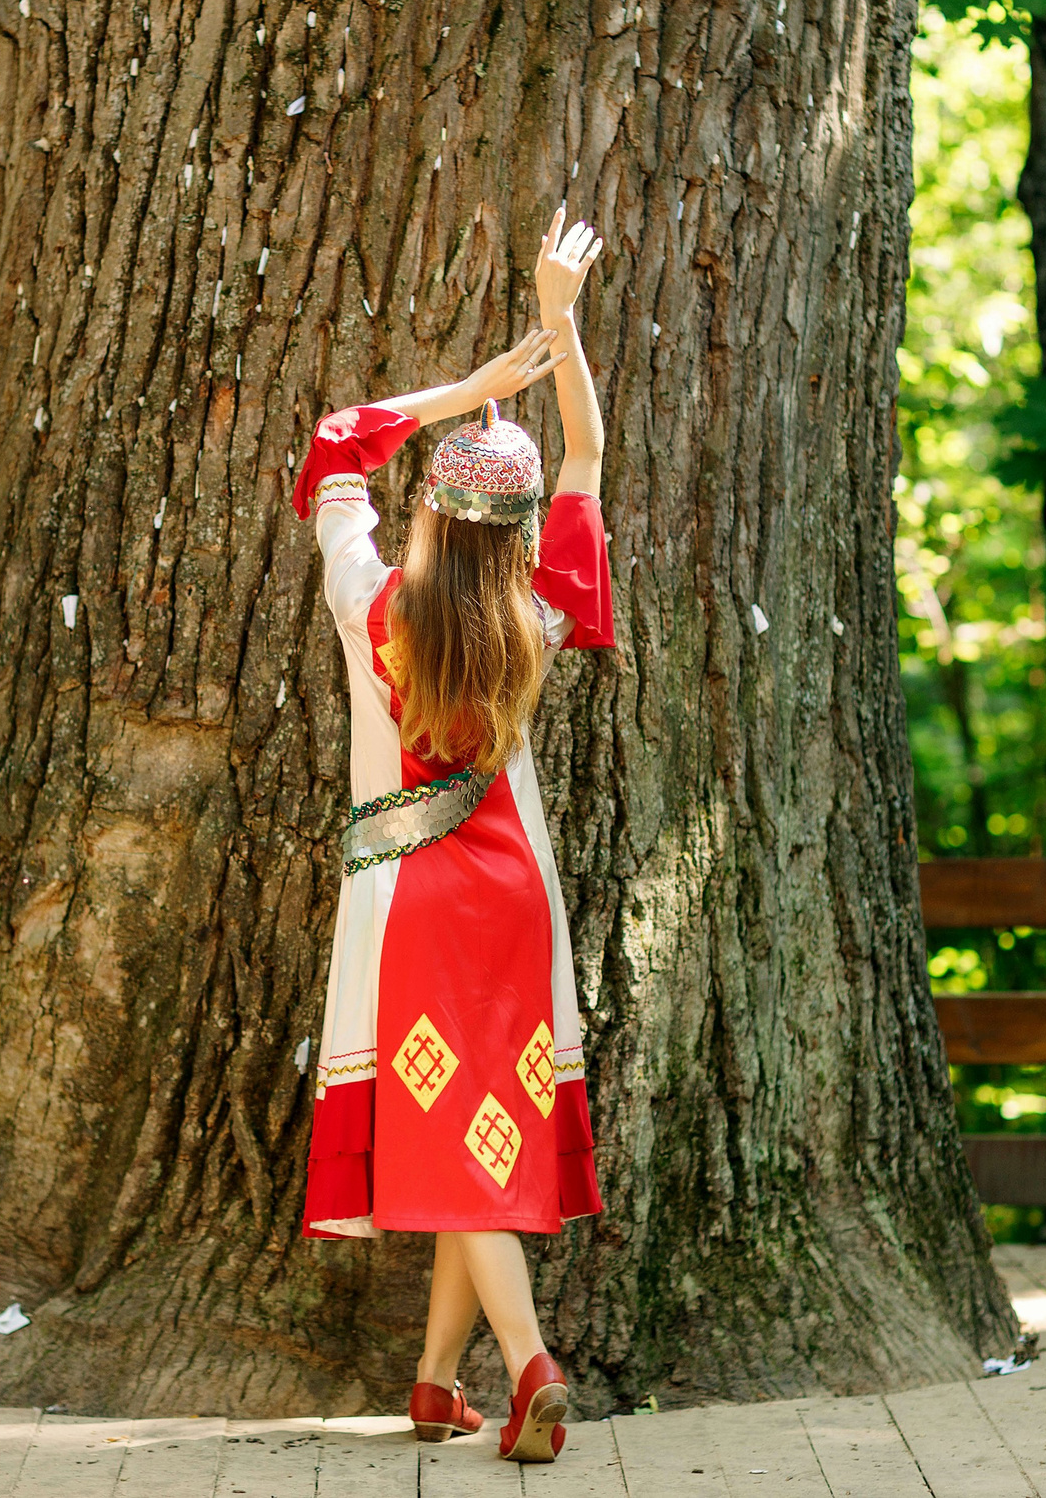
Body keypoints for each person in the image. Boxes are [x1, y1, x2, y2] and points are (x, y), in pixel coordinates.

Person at [289, 210, 613, 1464]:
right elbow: (585, 450)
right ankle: (434, 1380)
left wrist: (461, 392)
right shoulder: (541, 607)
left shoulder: (370, 595)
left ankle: (530, 1365)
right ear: (521, 526)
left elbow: (333, 446)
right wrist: (559, 323)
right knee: (475, 1126)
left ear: (428, 507)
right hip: (517, 893)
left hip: (408, 893)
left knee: (449, 1136)